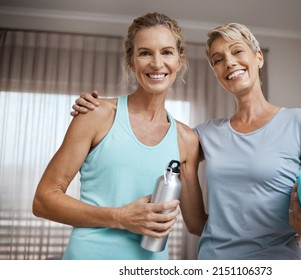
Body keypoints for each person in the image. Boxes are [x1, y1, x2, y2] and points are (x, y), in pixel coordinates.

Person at [71, 22, 301, 259]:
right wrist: (102, 108)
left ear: (258, 57)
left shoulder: (299, 123)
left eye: (237, 51)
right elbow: (147, 138)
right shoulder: (203, 135)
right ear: (215, 72)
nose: (229, 62)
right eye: (218, 59)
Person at [32, 12, 207, 260]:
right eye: (145, 52)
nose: (157, 63)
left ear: (179, 60)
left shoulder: (186, 139)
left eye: (167, 52)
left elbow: (197, 223)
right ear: (131, 61)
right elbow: (43, 201)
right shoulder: (96, 114)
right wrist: (120, 218)